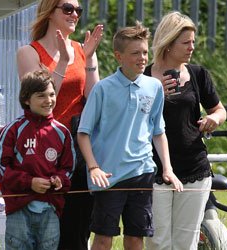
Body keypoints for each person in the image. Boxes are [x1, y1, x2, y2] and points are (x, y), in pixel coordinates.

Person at [76, 22, 184, 250]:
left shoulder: (154, 87)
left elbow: (158, 131)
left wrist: (167, 168)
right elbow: (83, 133)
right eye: (135, 53)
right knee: (104, 239)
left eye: (145, 52)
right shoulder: (103, 89)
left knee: (136, 238)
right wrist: (94, 167)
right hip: (108, 176)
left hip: (142, 172)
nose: (142, 58)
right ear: (119, 56)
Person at [15, 1, 103, 247]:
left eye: (78, 10)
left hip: (79, 145)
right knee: (44, 227)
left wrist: (90, 57)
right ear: (50, 12)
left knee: (77, 226)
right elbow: (41, 100)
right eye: (67, 8)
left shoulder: (80, 48)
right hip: (44, 148)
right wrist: (63, 61)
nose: (75, 14)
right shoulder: (29, 52)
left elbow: (95, 99)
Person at [143, 11, 227, 250]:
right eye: (186, 42)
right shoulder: (145, 76)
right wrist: (154, 92)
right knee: (157, 241)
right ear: (168, 44)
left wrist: (214, 118)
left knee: (186, 241)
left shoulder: (199, 74)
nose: (192, 47)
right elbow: (130, 117)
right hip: (153, 167)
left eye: (193, 42)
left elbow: (220, 110)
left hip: (194, 166)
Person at [0, 70, 75, 249]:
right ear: (26, 99)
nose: (48, 100)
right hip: (19, 210)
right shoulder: (12, 130)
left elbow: (68, 168)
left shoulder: (62, 133)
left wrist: (59, 179)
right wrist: (29, 182)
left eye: (52, 94)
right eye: (41, 96)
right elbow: (0, 167)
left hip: (50, 210)